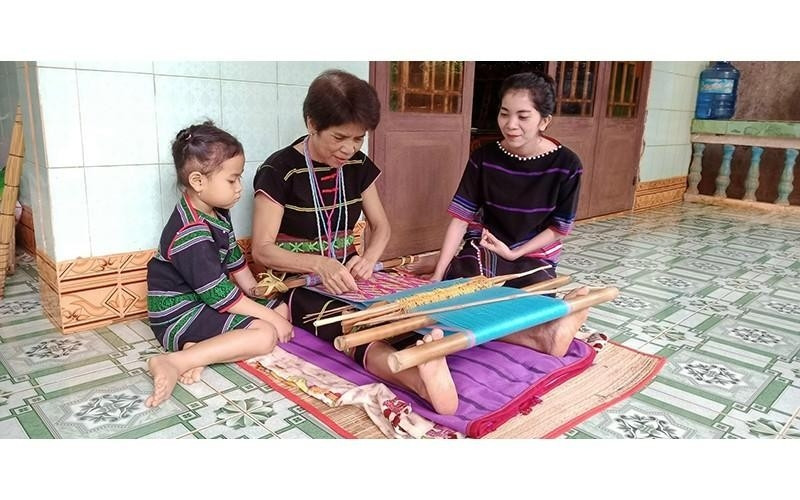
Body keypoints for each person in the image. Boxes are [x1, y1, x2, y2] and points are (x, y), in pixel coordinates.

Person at [251, 70, 458, 415]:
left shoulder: (358, 165)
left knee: (397, 307)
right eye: (339, 137)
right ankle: (416, 377)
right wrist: (320, 264)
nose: (348, 149)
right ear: (311, 123)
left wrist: (369, 257)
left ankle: (425, 350)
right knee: (346, 323)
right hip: (300, 282)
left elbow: (382, 227)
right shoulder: (279, 170)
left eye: (358, 139)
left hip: (351, 273)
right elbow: (262, 249)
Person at [430, 71, 590, 357]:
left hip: (533, 254)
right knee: (460, 295)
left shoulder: (568, 165)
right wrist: (438, 275)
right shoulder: (484, 156)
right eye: (504, 114)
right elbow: (460, 218)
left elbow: (558, 228)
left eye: (523, 116)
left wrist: (515, 254)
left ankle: (540, 329)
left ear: (544, 120)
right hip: (486, 247)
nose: (510, 124)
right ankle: (539, 338)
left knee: (533, 303)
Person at [145, 121, 293, 408]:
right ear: (199, 182)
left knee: (281, 306)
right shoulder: (190, 232)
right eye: (232, 180)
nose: (239, 188)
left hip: (203, 303)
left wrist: (255, 289)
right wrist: (270, 318)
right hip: (179, 315)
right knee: (265, 335)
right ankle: (175, 360)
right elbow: (221, 297)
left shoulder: (216, 211)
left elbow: (234, 260)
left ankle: (200, 350)